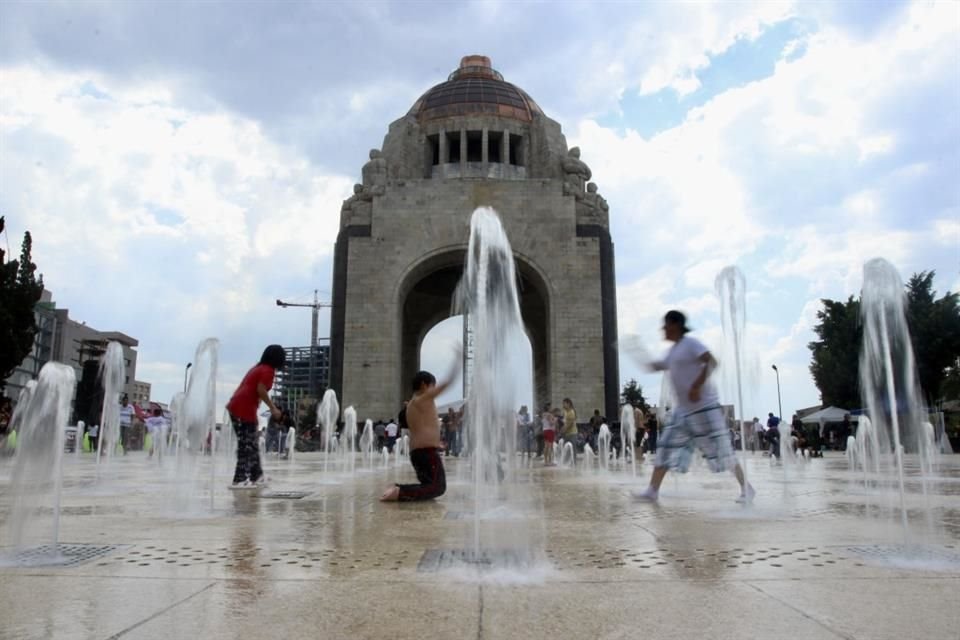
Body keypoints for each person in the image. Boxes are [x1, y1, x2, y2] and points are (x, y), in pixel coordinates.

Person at [633, 311, 754, 503]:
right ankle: (652, 490)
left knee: (721, 451)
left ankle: (746, 488)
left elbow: (711, 361)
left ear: (675, 325)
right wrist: (637, 351)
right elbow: (655, 367)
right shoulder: (672, 351)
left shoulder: (691, 344)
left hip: (704, 408)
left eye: (666, 325)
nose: (663, 329)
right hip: (683, 411)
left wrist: (697, 385)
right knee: (665, 446)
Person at [381, 349, 459, 502]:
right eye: (432, 386)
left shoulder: (411, 404)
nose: (433, 390)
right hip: (426, 453)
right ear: (424, 385)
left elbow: (423, 427)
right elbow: (447, 384)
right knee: (437, 487)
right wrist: (457, 363)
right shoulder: (422, 399)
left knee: (428, 484)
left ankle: (396, 487)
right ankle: (399, 492)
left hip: (419, 453)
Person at [226, 345, 284, 487]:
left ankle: (256, 476)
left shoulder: (257, 368)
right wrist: (273, 408)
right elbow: (261, 390)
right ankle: (239, 479)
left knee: (251, 443)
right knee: (247, 445)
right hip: (243, 408)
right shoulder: (268, 370)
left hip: (237, 406)